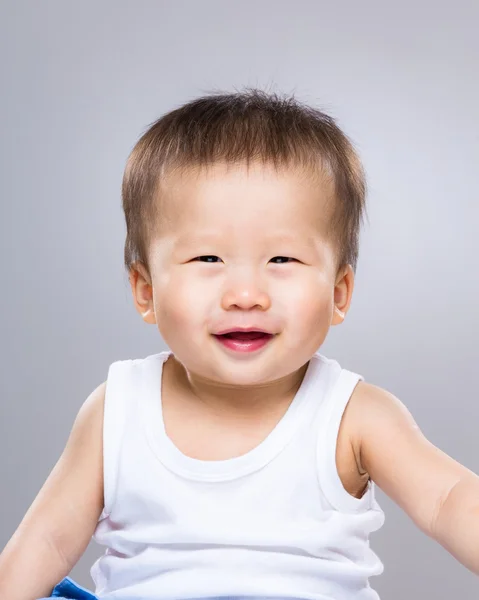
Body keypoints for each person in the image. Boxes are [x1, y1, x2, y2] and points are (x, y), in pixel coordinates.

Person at [1, 88, 478, 600]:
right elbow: (45, 544)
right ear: (146, 291)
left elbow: (449, 499)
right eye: (208, 259)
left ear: (339, 294)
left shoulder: (354, 417)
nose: (245, 295)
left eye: (283, 261)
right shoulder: (117, 408)